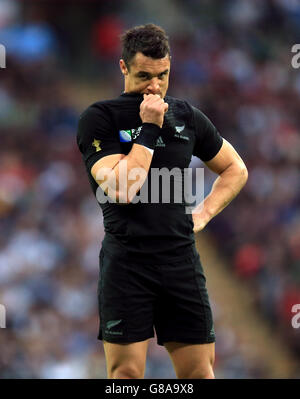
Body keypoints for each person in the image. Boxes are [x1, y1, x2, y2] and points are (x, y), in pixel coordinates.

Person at [76, 23, 248, 379]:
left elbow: (235, 169)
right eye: (144, 76)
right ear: (123, 67)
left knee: (199, 373)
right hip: (127, 263)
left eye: (163, 75)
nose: (154, 86)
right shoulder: (100, 118)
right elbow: (123, 188)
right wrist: (150, 128)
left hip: (179, 260)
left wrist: (204, 214)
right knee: (125, 375)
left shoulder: (186, 116)